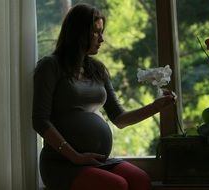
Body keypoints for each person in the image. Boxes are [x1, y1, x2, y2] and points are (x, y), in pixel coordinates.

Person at [32, 3, 175, 190]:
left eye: (102, 32)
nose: (102, 39)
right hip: (62, 162)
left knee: (141, 180)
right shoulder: (50, 66)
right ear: (79, 32)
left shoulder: (97, 70)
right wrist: (75, 156)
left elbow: (119, 118)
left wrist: (156, 106)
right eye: (96, 32)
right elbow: (40, 121)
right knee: (117, 185)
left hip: (96, 160)